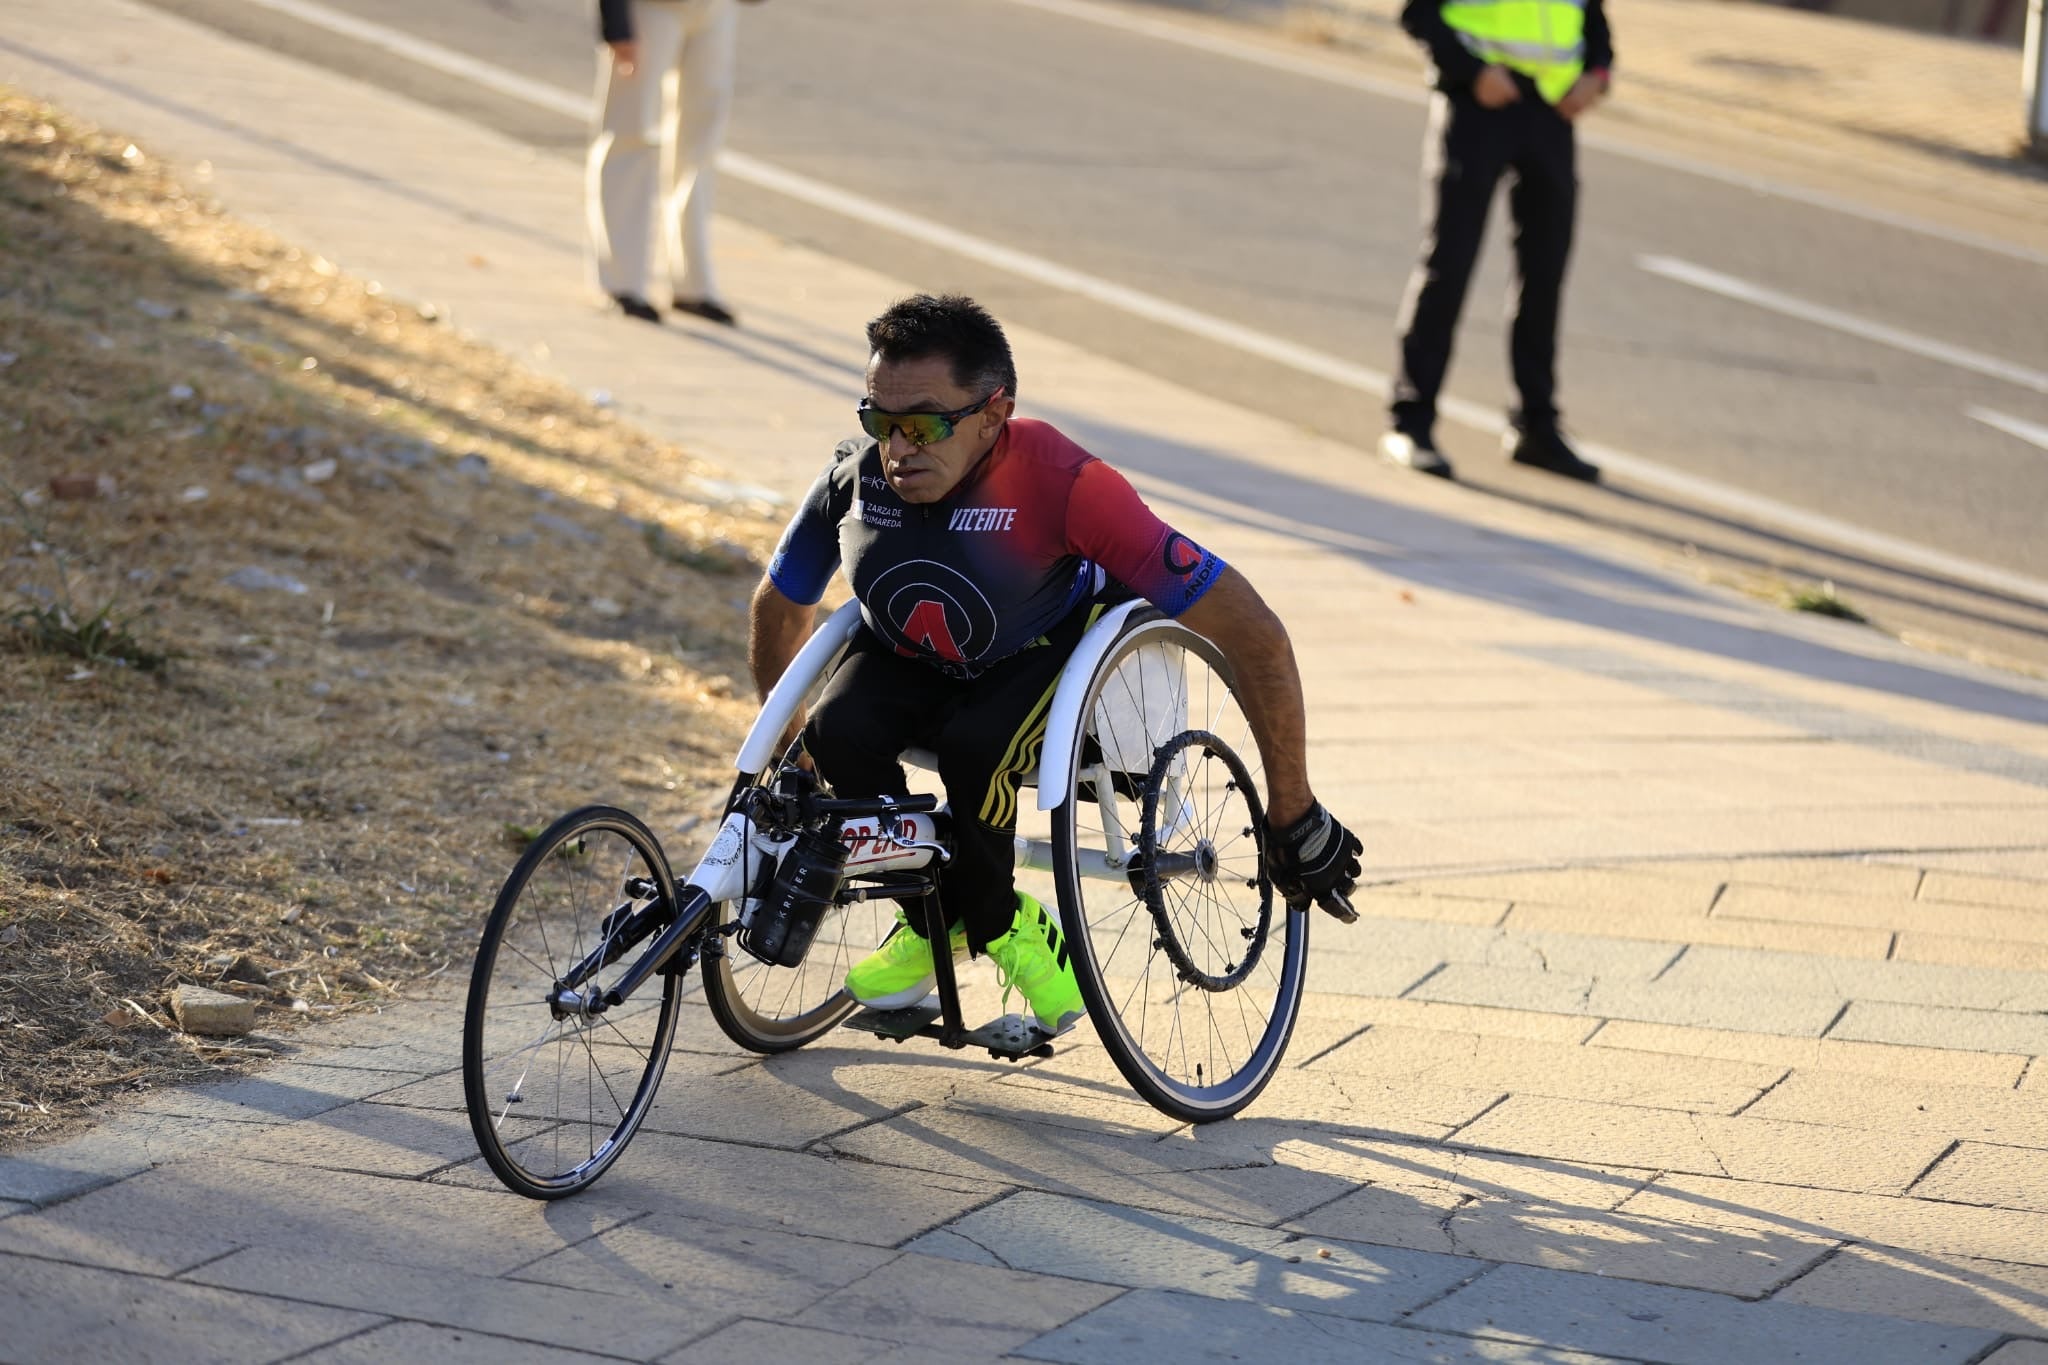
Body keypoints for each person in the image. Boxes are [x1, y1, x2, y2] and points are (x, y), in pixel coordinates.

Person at [748, 294, 1363, 1031]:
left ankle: (1011, 926)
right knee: (835, 730)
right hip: (912, 654)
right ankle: (932, 919)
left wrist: (1291, 808)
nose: (897, 447)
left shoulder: (1068, 485)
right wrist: (788, 752)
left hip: (1041, 648)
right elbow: (779, 608)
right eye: (878, 420)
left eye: (922, 424)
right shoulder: (855, 481)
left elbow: (1257, 634)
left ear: (993, 412)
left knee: (978, 753)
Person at [1379, 0, 1612, 483]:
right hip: (1477, 105)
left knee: (1545, 274)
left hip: (1551, 111)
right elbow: (1417, 12)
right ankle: (1411, 423)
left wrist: (1598, 72)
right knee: (1449, 264)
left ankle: (1536, 427)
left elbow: (1590, 17)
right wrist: (1470, 71)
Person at [589, 0, 760, 326]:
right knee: (630, 131)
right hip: (650, 8)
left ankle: (691, 283)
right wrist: (615, 22)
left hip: (716, 8)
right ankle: (621, 281)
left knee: (701, 143)